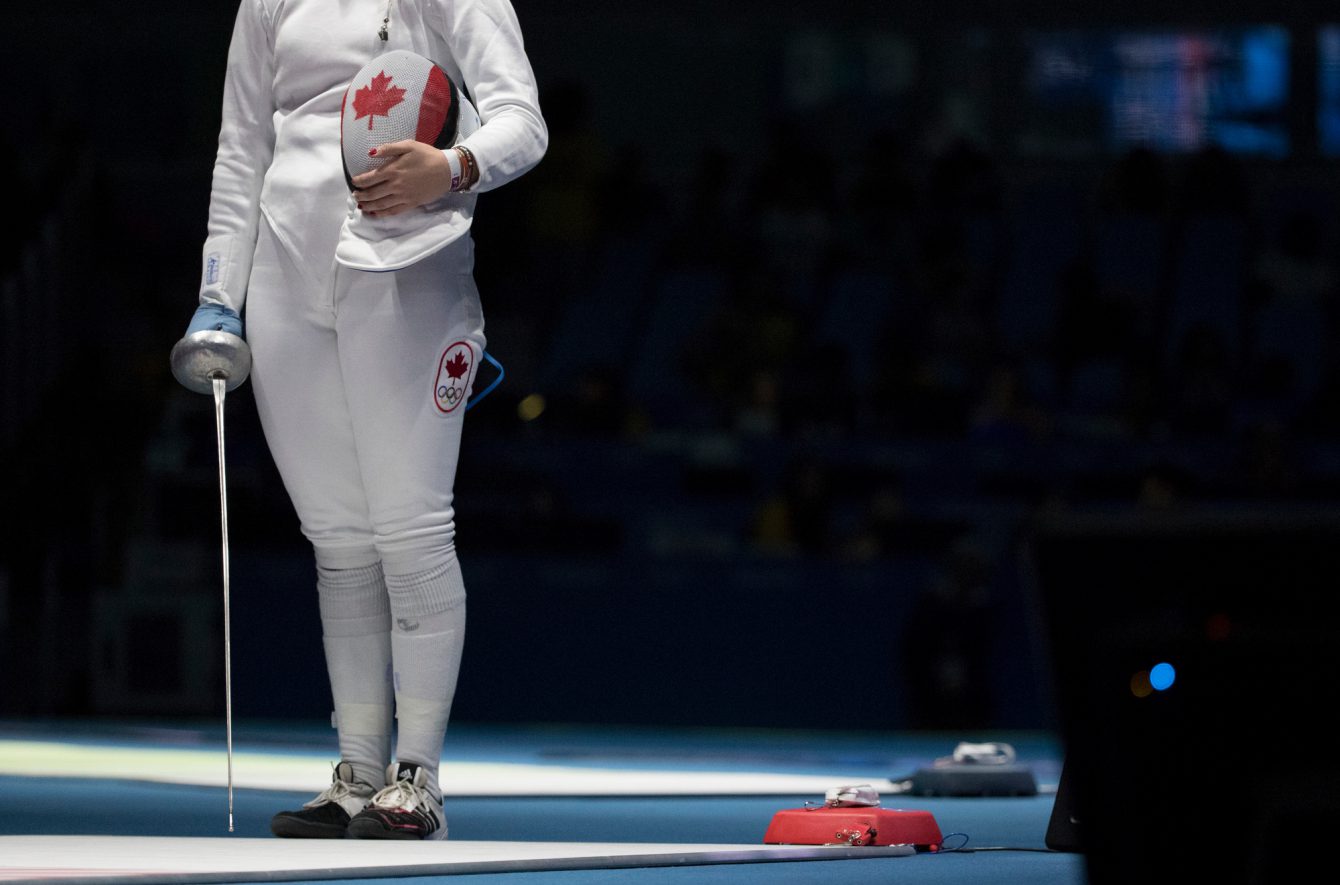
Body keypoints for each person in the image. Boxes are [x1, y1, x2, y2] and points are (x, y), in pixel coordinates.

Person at [183, 0, 546, 840]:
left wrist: (453, 166)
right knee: (337, 535)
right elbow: (242, 147)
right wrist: (217, 295)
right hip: (284, 269)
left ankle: (417, 776)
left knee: (411, 527)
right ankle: (357, 771)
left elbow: (523, 122)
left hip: (408, 266)